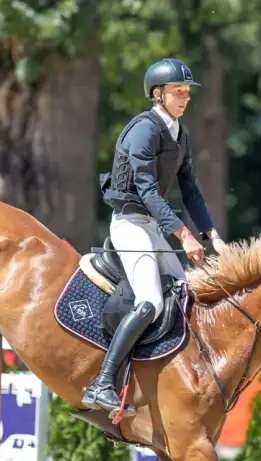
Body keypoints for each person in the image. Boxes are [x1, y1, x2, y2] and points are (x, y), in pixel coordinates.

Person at [81, 57, 227, 417]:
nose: (185, 98)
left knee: (186, 298)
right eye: (179, 92)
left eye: (187, 92)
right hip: (129, 223)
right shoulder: (144, 130)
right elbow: (146, 190)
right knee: (152, 301)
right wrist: (184, 236)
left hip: (151, 225)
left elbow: (190, 189)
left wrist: (211, 235)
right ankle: (102, 383)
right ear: (158, 94)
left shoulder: (179, 134)